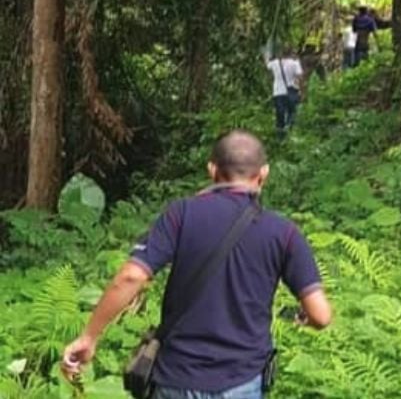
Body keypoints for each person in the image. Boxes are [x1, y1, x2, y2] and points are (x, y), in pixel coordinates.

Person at [61, 130, 332, 399]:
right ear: (264, 173)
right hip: (242, 382)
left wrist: (89, 337)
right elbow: (321, 315)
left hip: (176, 379)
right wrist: (302, 319)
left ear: (212, 170)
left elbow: (131, 276)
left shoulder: (181, 214)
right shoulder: (284, 233)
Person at [265, 48, 304, 138]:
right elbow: (300, 78)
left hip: (278, 92)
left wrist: (266, 55)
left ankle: (280, 135)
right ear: (291, 53)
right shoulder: (295, 63)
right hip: (291, 91)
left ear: (281, 53)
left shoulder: (275, 63)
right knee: (292, 112)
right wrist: (302, 91)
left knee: (280, 114)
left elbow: (267, 65)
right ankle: (290, 132)